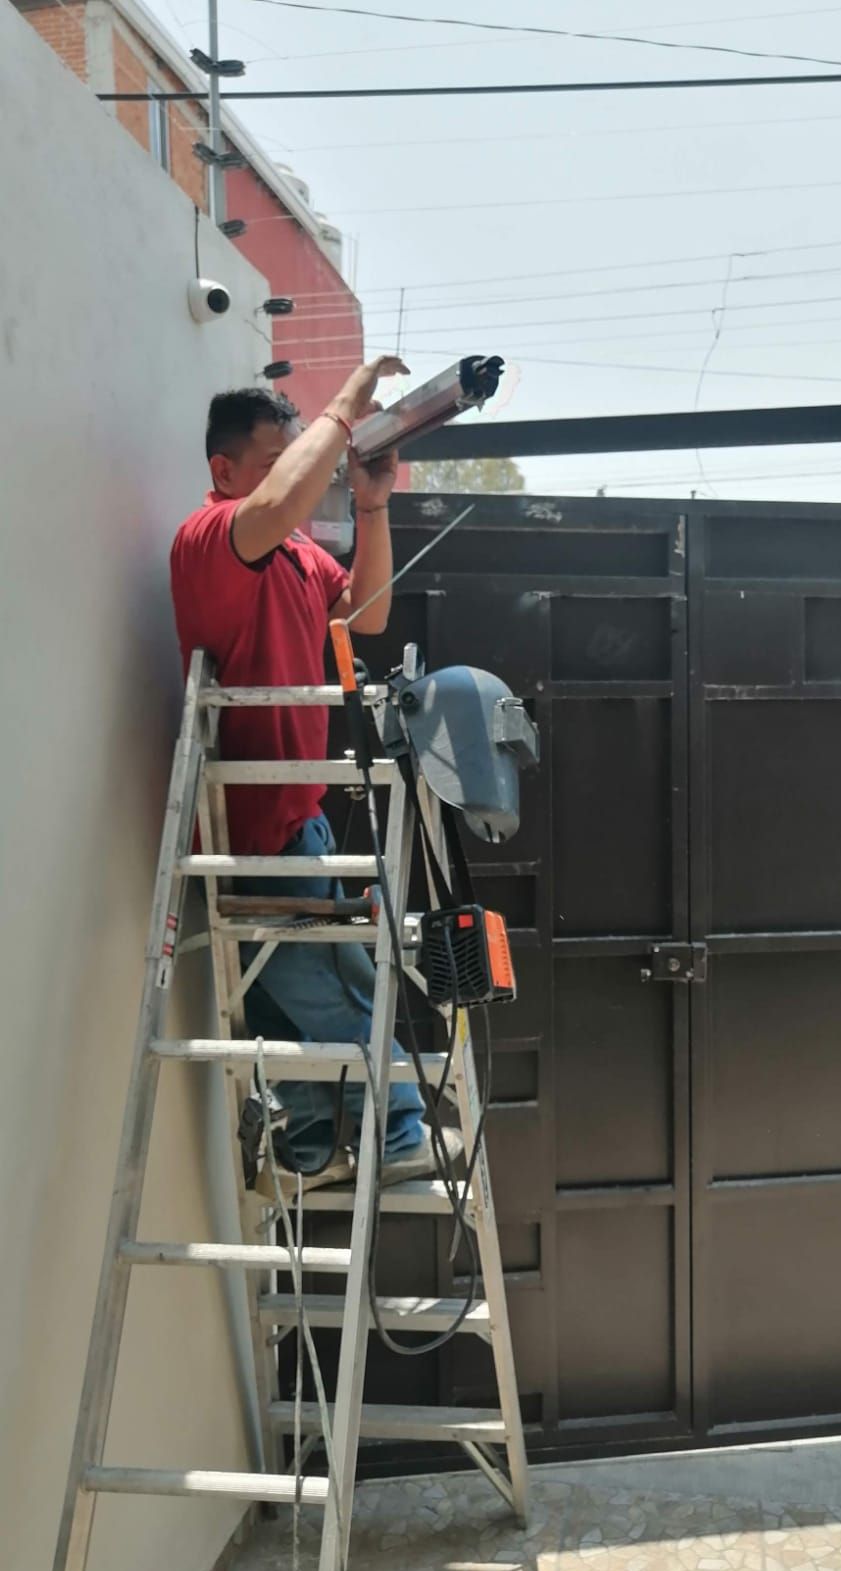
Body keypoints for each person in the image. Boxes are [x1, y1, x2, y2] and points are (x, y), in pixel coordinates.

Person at [170, 356, 460, 1196]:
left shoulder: (292, 555)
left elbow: (366, 613)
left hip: (302, 814)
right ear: (223, 471)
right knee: (334, 989)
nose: (297, 480)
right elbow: (276, 504)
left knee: (301, 993)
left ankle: (306, 1140)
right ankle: (399, 1129)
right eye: (275, 461)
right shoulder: (209, 540)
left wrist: (371, 502)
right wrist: (342, 406)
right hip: (256, 829)